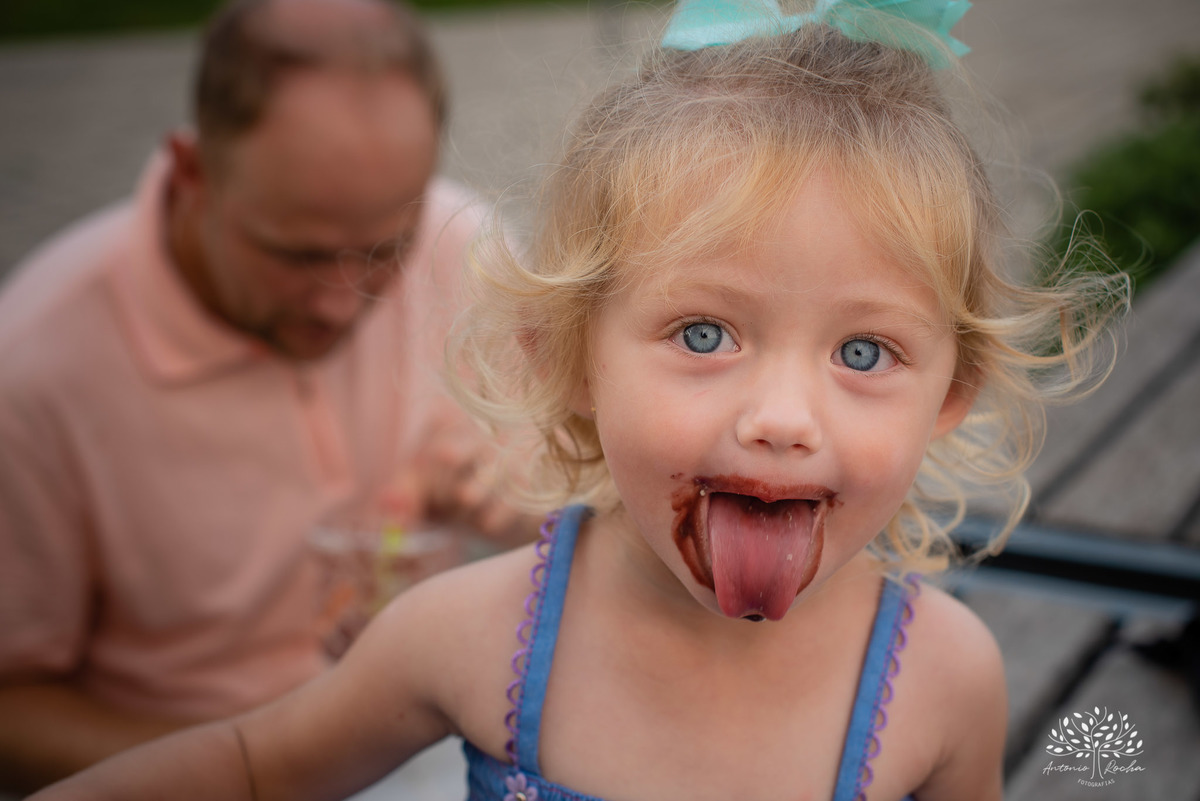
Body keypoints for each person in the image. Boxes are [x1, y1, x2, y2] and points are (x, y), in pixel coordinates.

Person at [26, 0, 1129, 798]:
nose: (783, 416)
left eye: (866, 352)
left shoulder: (943, 679)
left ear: (953, 394)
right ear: (571, 361)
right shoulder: (478, 634)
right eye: (706, 333)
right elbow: (255, 763)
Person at [0, 0, 529, 792]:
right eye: (300, 255)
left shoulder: (467, 251)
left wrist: (536, 504)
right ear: (191, 175)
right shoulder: (35, 369)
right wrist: (272, 756)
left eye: (384, 251)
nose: (343, 304)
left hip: (430, 741)